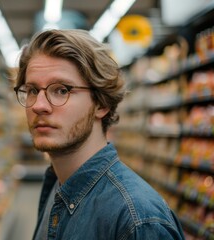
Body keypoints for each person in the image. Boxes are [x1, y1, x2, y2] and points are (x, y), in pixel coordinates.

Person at [13, 29, 185, 240]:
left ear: (101, 103)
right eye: (32, 90)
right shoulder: (57, 186)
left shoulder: (138, 221)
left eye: (61, 90)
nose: (39, 106)